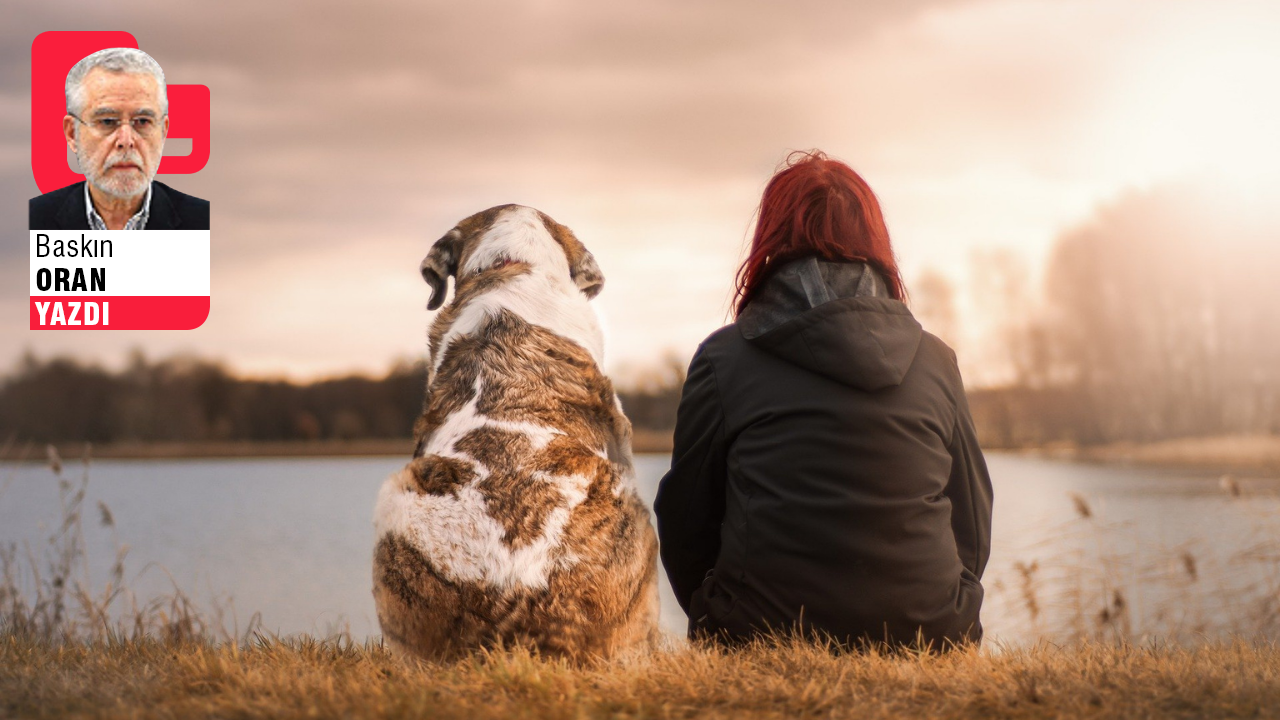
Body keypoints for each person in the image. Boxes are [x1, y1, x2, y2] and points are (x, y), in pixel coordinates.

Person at [654, 151, 992, 651]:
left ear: (770, 240)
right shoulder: (936, 360)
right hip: (930, 634)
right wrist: (946, 603)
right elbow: (972, 518)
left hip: (758, 634)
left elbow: (685, 521)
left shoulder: (724, 360)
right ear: (875, 241)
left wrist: (718, 610)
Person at [29, 48, 209, 231]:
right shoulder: (32, 221)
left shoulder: (203, 223)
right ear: (72, 133)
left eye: (142, 122)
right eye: (107, 121)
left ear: (163, 132)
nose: (126, 141)